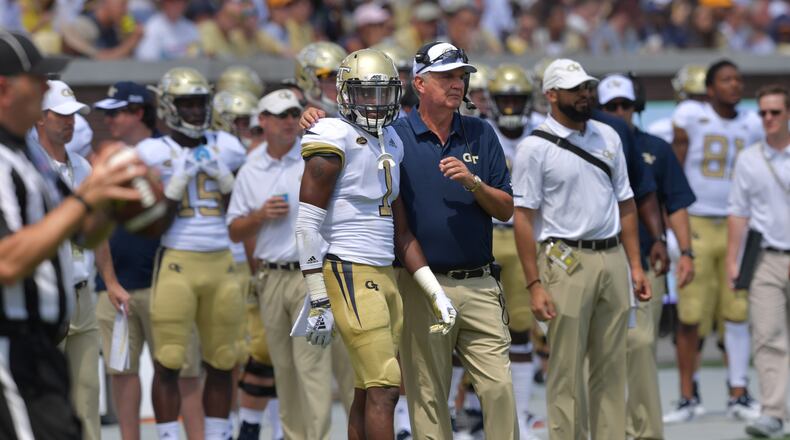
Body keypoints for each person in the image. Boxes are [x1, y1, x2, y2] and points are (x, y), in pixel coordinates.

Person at [296, 48, 457, 440]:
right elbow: (305, 226)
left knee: (368, 387)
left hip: (383, 272)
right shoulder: (332, 135)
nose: (374, 103)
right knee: (386, 386)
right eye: (365, 93)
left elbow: (402, 233)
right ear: (345, 94)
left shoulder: (393, 142)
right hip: (348, 267)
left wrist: (436, 292)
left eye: (383, 93)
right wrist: (317, 298)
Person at [0, 30, 144, 440]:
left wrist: (124, 199)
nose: (45, 88)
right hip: (11, 349)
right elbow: (7, 261)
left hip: (38, 342)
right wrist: (87, 200)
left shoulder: (27, 156)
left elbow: (80, 232)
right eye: (37, 81)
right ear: (4, 88)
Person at [512, 58, 651, 440]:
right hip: (563, 260)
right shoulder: (533, 148)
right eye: (575, 89)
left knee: (611, 367)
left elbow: (627, 203)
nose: (585, 94)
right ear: (551, 94)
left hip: (612, 256)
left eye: (587, 87)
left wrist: (635, 266)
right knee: (566, 370)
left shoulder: (609, 136)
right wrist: (534, 283)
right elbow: (522, 219)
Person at [136, 66, 247, 440]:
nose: (196, 111)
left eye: (200, 103)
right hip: (177, 259)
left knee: (223, 358)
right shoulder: (151, 152)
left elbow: (242, 212)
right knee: (168, 359)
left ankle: (217, 435)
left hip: (223, 260)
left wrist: (228, 181)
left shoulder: (229, 147)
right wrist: (174, 188)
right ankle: (168, 435)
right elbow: (150, 227)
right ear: (168, 106)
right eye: (187, 103)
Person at [92, 81, 205, 440]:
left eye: (116, 112)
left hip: (166, 279)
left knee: (183, 372)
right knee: (122, 374)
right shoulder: (107, 156)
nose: (108, 120)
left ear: (138, 112)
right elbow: (97, 225)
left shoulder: (172, 151)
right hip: (113, 285)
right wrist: (108, 281)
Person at [229, 88, 337, 440]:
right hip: (271, 276)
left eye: (294, 114)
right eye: (281, 116)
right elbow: (233, 229)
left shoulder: (312, 153)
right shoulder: (250, 168)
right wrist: (260, 216)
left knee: (313, 369)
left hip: (311, 276)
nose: (291, 121)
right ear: (263, 121)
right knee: (284, 373)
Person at [664, 59, 763, 423]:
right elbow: (675, 169)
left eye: (738, 79)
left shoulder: (752, 122)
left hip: (739, 224)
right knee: (690, 315)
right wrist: (672, 226)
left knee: (737, 314)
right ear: (709, 88)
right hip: (699, 221)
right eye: (726, 79)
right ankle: (687, 396)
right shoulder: (691, 115)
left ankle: (739, 392)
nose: (735, 85)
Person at [598, 73, 697, 440]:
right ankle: (609, 429)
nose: (620, 112)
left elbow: (675, 203)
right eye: (612, 107)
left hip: (645, 258)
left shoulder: (655, 147)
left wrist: (685, 251)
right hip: (600, 259)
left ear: (635, 108)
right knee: (602, 350)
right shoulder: (590, 146)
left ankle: (645, 431)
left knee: (640, 346)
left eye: (626, 105)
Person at [26, 79, 101, 440]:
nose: (69, 122)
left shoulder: (84, 166)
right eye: (61, 115)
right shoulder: (22, 167)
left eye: (73, 116)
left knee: (87, 394)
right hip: (45, 294)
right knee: (45, 396)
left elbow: (96, 235)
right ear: (40, 117)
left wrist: (111, 283)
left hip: (84, 292)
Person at [727, 85, 790, 439]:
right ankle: (773, 412)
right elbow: (738, 212)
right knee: (767, 337)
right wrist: (732, 263)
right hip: (765, 258)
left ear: (788, 114)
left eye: (775, 112)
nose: (768, 119)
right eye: (763, 113)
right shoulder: (749, 158)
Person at [294, 41, 347, 116]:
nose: (338, 86)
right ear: (306, 78)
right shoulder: (292, 119)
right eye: (328, 77)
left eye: (342, 77)